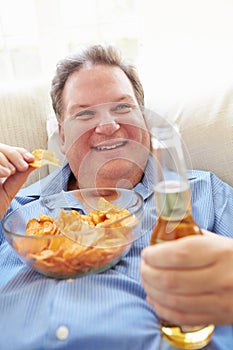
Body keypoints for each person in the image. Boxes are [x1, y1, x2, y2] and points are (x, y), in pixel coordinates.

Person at [0, 44, 232, 350]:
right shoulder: (12, 206)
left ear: (145, 122)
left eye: (123, 107)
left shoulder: (205, 193)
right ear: (63, 136)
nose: (108, 125)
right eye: (84, 113)